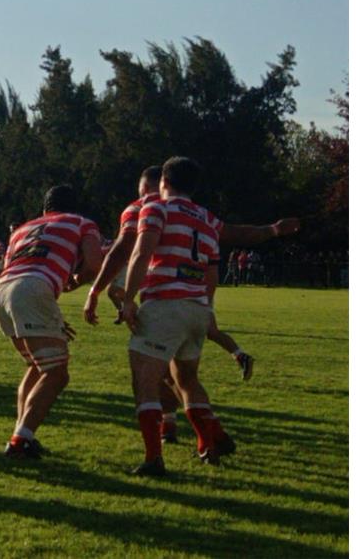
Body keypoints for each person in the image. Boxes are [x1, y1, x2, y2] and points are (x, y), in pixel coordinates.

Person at [109, 157, 299, 475]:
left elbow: (142, 252)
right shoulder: (206, 218)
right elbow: (235, 238)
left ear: (164, 182)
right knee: (187, 379)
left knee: (145, 380)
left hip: (164, 305)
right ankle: (209, 441)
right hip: (196, 308)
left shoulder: (157, 209)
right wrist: (274, 230)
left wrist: (128, 299)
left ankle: (154, 459)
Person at [0, 185, 102, 460]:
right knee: (56, 373)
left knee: (37, 366)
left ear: (44, 209)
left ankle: (22, 432)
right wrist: (75, 283)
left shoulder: (22, 228)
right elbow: (94, 264)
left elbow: (14, 265)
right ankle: (21, 439)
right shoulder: (81, 223)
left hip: (1, 291)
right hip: (32, 289)